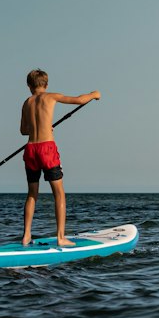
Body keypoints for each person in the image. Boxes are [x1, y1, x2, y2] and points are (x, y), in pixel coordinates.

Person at [20, 70, 100, 246]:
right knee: (59, 194)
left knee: (32, 194)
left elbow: (23, 130)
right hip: (46, 149)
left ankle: (26, 235)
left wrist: (39, 128)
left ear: (29, 86)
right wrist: (94, 95)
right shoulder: (51, 96)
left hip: (31, 149)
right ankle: (61, 237)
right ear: (46, 85)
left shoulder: (26, 103)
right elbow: (79, 100)